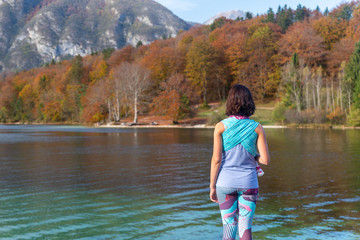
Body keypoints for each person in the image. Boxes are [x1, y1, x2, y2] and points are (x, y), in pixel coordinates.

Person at [209, 84, 270, 240]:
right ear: (249, 102)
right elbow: (265, 160)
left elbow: (216, 160)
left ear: (230, 102)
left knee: (229, 230)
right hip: (249, 184)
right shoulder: (257, 128)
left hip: (225, 183)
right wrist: (254, 156)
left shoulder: (220, 127)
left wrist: (212, 187)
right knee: (245, 230)